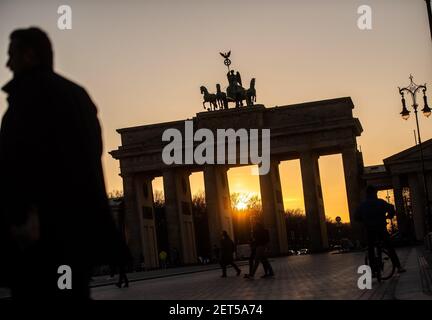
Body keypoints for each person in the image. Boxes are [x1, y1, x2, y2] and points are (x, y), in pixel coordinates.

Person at [0, 27, 124, 299]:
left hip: (38, 239)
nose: (7, 64)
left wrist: (22, 217)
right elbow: (91, 158)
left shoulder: (27, 98)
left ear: (29, 55)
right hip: (77, 236)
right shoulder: (77, 95)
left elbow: (19, 166)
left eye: (11, 55)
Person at [355, 186, 406, 274]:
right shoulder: (380, 202)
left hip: (369, 230)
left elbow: (356, 217)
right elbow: (391, 207)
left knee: (371, 249)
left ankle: (373, 271)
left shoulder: (362, 205)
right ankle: (398, 266)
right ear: (375, 193)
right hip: (381, 228)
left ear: (366, 194)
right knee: (389, 247)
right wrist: (389, 216)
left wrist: (363, 220)